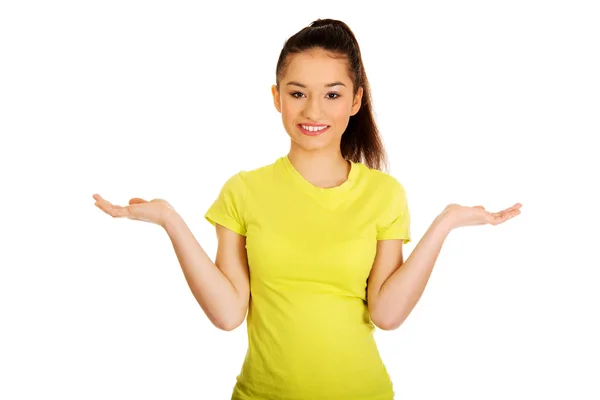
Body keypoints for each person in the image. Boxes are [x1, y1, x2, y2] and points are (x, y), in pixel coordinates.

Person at [93, 18, 522, 400]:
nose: (313, 110)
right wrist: (170, 219)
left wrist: (444, 224)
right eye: (298, 93)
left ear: (355, 100)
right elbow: (227, 314)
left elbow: (387, 315)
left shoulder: (384, 194)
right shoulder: (243, 191)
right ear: (277, 97)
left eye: (332, 94)